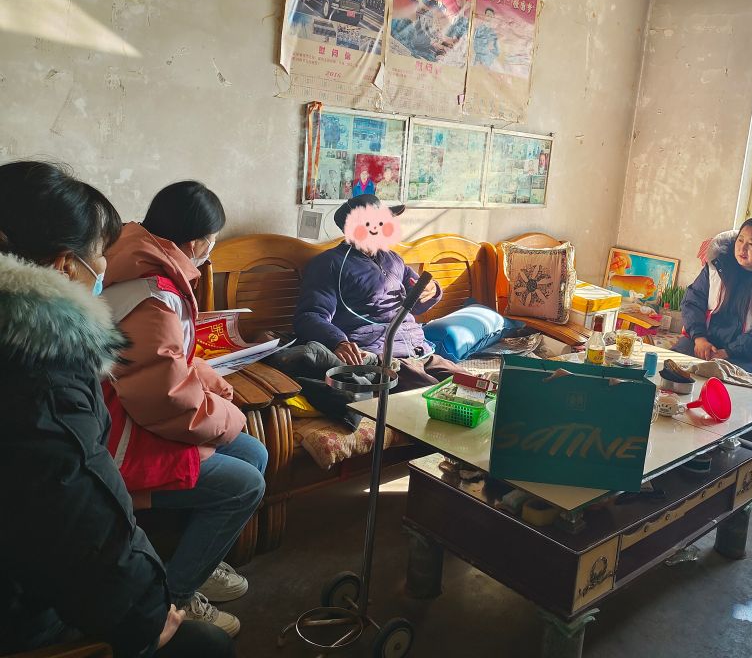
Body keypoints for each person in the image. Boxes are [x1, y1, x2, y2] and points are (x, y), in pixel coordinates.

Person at [0, 161, 234, 657]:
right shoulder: (43, 369)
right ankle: (181, 589)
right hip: (23, 602)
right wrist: (148, 609)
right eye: (99, 256)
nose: (106, 268)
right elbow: (81, 503)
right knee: (207, 646)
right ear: (64, 266)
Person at [102, 181, 267, 637]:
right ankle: (173, 597)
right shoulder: (152, 292)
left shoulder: (140, 261)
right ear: (196, 243)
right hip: (121, 434)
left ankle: (199, 559)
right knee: (245, 484)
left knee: (253, 452)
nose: (210, 249)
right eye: (212, 240)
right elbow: (164, 397)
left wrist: (212, 383)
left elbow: (166, 361)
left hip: (133, 411)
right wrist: (228, 415)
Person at [293, 194, 460, 391]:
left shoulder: (393, 259)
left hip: (420, 350)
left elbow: (415, 303)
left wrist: (432, 290)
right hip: (383, 358)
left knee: (477, 387)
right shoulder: (330, 264)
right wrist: (338, 342)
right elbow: (310, 315)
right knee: (441, 394)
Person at [673, 217, 752, 376]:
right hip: (705, 341)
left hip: (750, 354)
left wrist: (728, 352)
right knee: (672, 366)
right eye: (740, 240)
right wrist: (699, 338)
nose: (743, 248)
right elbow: (692, 301)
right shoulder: (717, 266)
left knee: (721, 377)